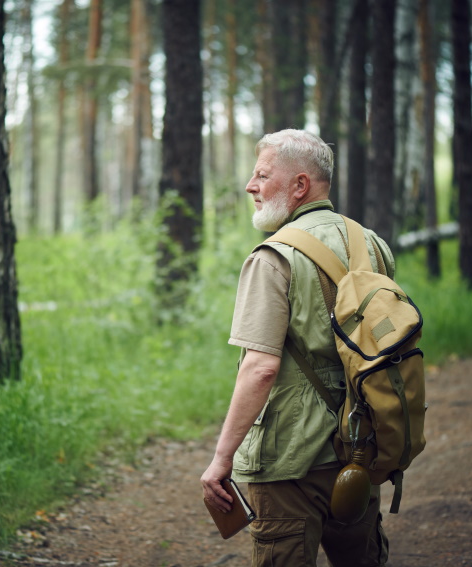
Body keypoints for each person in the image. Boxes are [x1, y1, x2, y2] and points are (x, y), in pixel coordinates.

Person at [200, 129, 394, 566]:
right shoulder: (372, 245)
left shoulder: (273, 257)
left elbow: (260, 368)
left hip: (291, 460)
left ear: (300, 185)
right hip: (359, 445)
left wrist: (221, 458)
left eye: (262, 175)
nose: (251, 185)